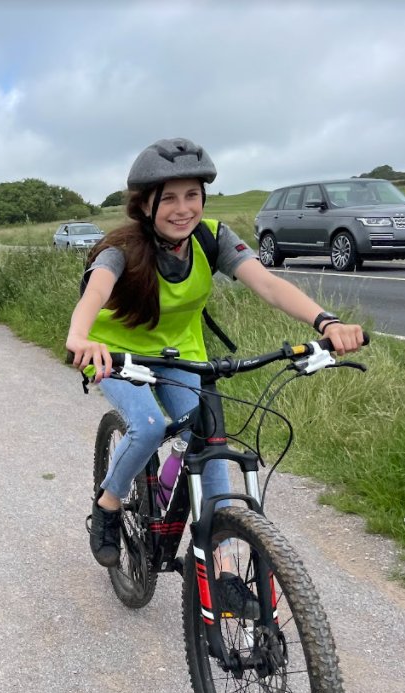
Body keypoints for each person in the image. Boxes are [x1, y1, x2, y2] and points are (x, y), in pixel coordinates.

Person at [65, 137, 365, 582]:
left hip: (181, 357)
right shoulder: (121, 250)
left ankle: (222, 573)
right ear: (145, 205)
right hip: (116, 355)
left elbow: (267, 284)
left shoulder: (212, 239)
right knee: (147, 426)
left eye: (192, 195)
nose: (182, 208)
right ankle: (108, 504)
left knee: (211, 441)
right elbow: (93, 296)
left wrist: (326, 321)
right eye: (168, 198)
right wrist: (80, 340)